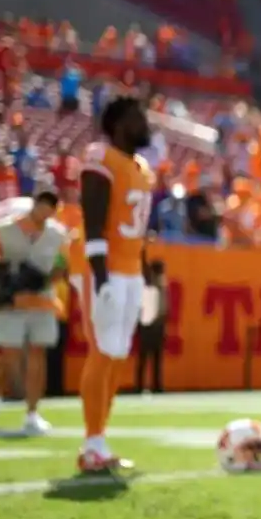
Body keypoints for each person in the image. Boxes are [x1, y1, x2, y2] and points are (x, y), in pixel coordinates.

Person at [74, 96, 154, 474]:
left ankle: (100, 440)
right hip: (104, 268)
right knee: (103, 350)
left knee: (118, 353)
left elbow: (137, 229)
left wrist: (146, 273)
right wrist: (100, 273)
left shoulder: (141, 167)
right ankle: (91, 443)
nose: (145, 124)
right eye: (139, 117)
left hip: (130, 269)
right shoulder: (101, 157)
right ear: (120, 123)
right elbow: (92, 218)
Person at [0, 190, 68, 435]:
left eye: (50, 207)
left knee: (37, 355)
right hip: (10, 301)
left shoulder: (57, 234)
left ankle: (32, 414)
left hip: (41, 300)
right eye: (42, 205)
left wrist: (45, 279)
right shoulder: (4, 228)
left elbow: (62, 264)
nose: (45, 211)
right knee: (9, 355)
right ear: (34, 204)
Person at [135, 258, 168, 393]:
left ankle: (156, 385)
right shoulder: (149, 284)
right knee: (145, 357)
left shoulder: (161, 285)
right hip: (149, 325)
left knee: (155, 357)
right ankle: (141, 385)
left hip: (157, 324)